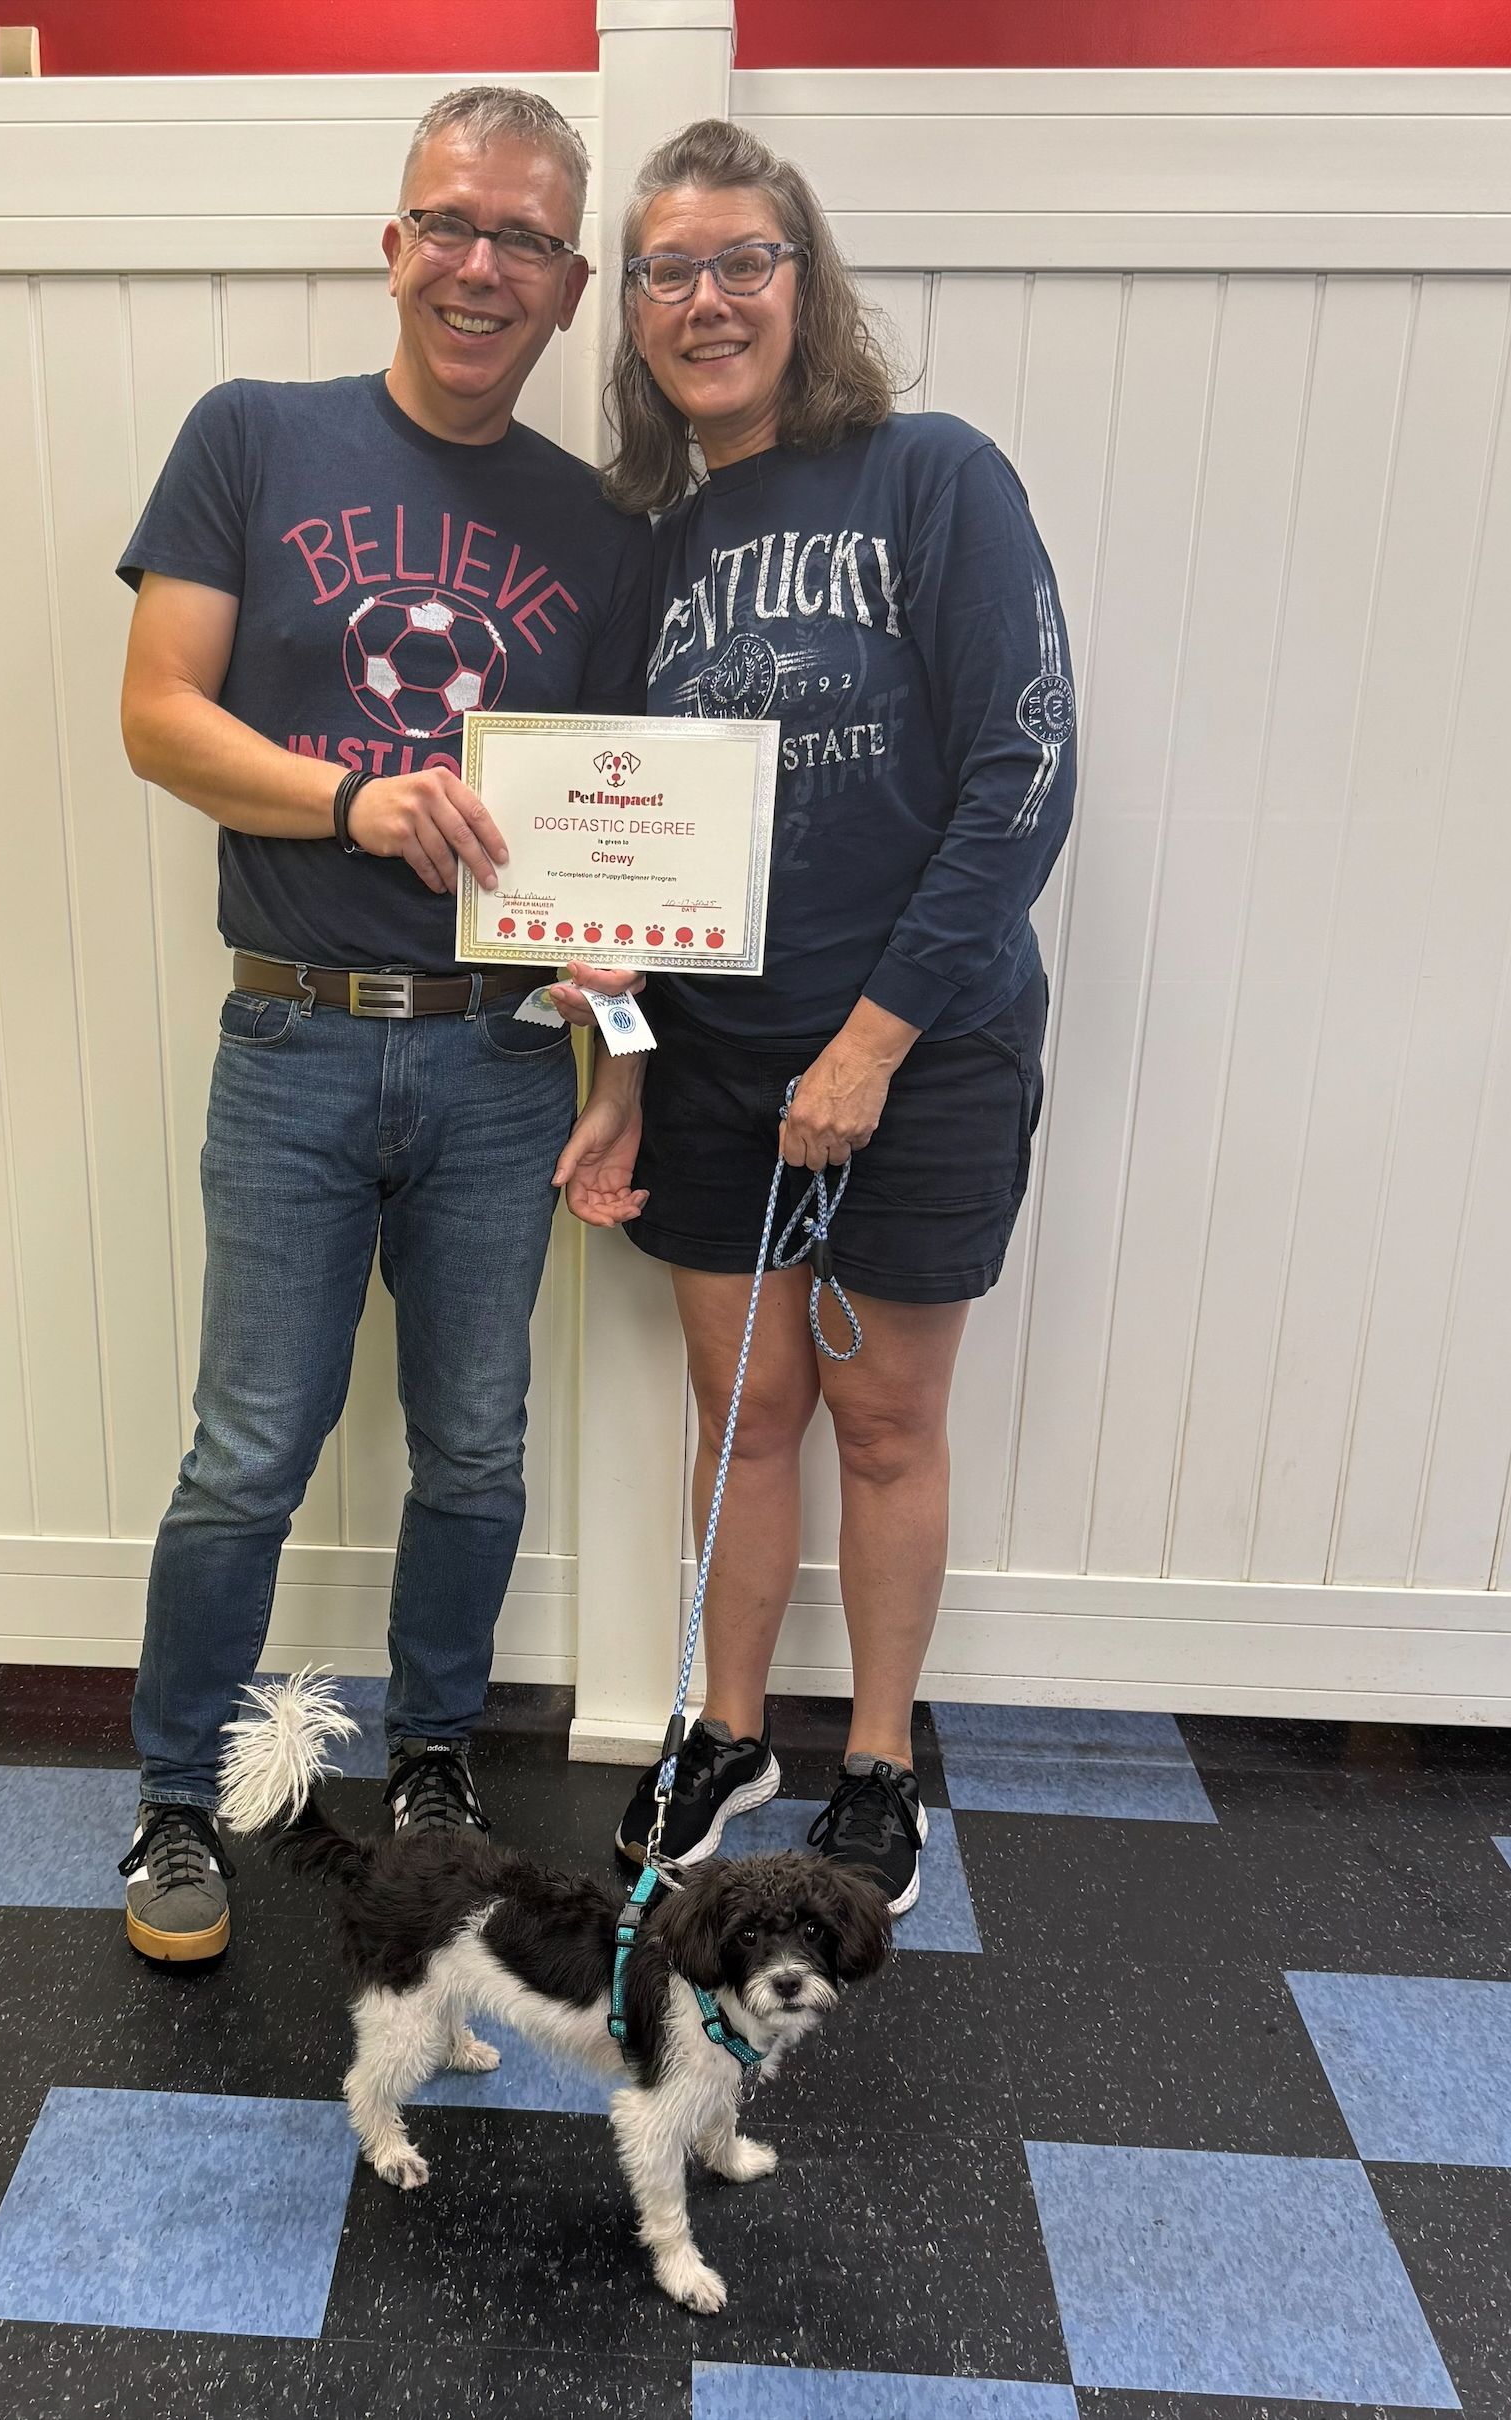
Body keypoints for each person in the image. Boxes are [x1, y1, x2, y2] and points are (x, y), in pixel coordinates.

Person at [115, 87, 650, 1961]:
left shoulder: (597, 527)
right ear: (394, 241)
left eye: (521, 239)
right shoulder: (251, 442)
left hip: (505, 1061)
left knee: (479, 1445)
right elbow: (157, 716)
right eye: (450, 223)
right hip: (296, 1043)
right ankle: (176, 1796)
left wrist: (623, 1071)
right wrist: (353, 803)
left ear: (571, 287)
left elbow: (621, 841)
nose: (479, 264)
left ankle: (433, 1759)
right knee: (246, 1449)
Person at [553, 120, 1075, 1916]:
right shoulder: (652, 539)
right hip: (708, 1060)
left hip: (924, 1050)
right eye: (668, 272)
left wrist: (871, 1040)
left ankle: (876, 1765)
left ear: (803, 281)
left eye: (742, 263)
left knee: (884, 1424)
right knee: (738, 1403)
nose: (707, 301)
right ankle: (728, 1728)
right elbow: (611, 849)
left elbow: (1024, 775)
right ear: (630, 313)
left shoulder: (934, 478)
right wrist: (615, 1074)